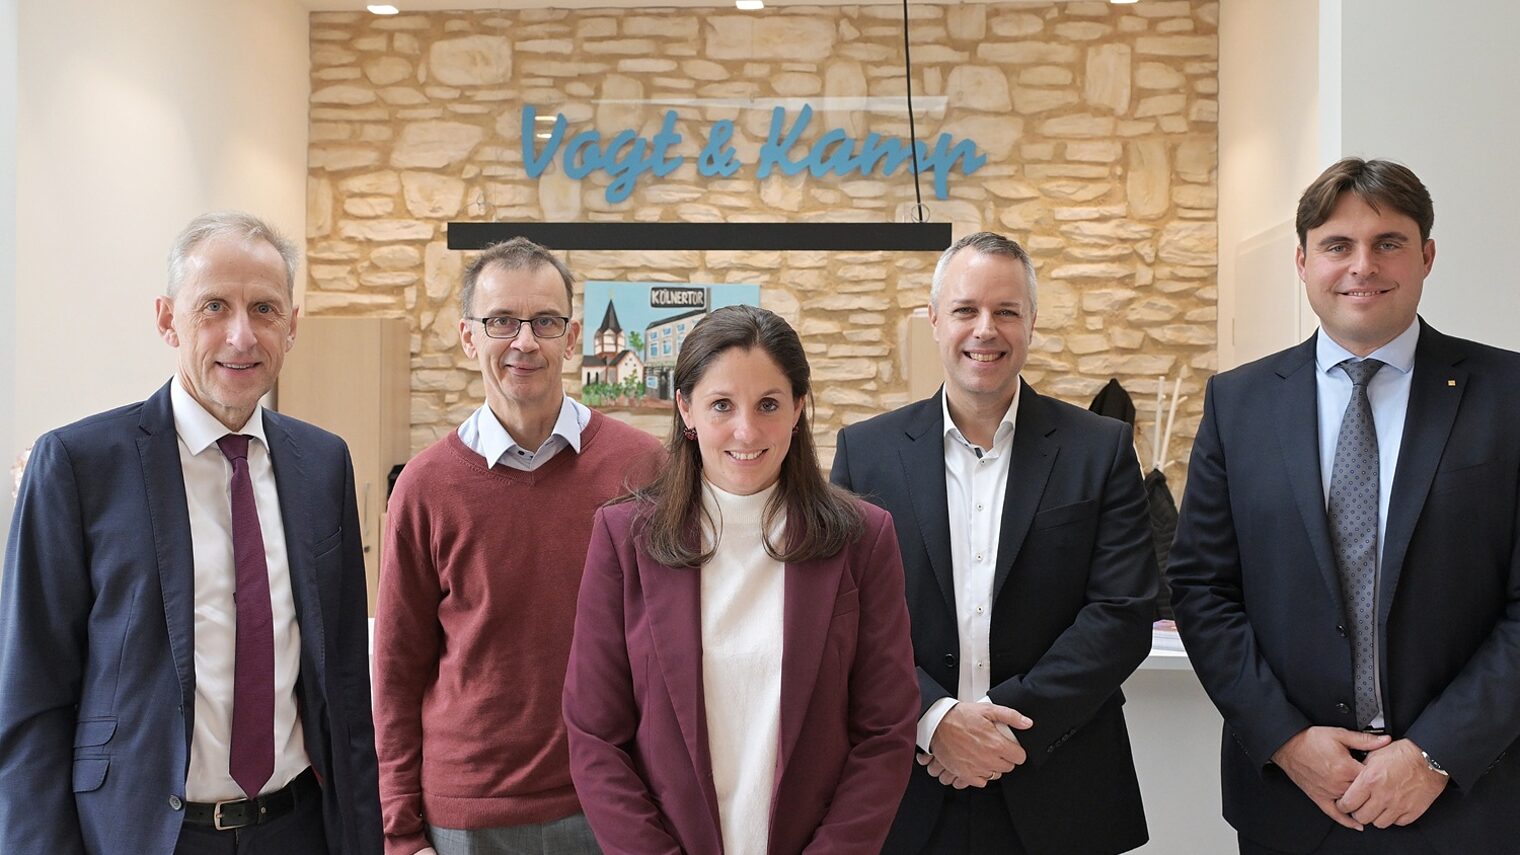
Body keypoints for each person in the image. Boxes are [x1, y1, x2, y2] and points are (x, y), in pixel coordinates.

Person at [1168, 157, 1520, 855]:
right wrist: (1288, 740)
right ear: (1303, 262)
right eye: (1338, 245)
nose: (1363, 265)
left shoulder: (1507, 395)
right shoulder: (1238, 404)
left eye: (1388, 242)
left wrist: (1435, 752)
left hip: (1468, 798)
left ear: (1426, 256)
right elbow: (1202, 588)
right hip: (1291, 799)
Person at [0, 212, 382, 853]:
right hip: (146, 833)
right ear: (167, 318)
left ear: (291, 327)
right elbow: (29, 695)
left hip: (298, 829)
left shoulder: (323, 463)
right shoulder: (77, 464)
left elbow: (344, 684)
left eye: (264, 309)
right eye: (213, 307)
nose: (241, 335)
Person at [831, 232, 1155, 855]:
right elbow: (846, 617)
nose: (986, 329)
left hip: (1061, 786)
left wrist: (1005, 732)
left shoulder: (1101, 448)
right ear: (934, 319)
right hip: (908, 786)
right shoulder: (866, 453)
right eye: (966, 310)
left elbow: (1121, 614)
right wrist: (935, 721)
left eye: (1007, 311)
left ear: (1031, 323)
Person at [563, 304, 919, 855]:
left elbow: (886, 731)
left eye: (769, 404)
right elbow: (594, 736)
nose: (746, 430)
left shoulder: (862, 539)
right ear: (686, 409)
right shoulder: (623, 539)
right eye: (722, 405)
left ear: (799, 408)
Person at [373, 238, 663, 855]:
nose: (524, 341)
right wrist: (399, 832)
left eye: (545, 322)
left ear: (573, 335)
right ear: (468, 336)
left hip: (610, 799)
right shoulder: (425, 487)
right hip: (466, 811)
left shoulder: (642, 468)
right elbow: (397, 672)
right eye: (501, 321)